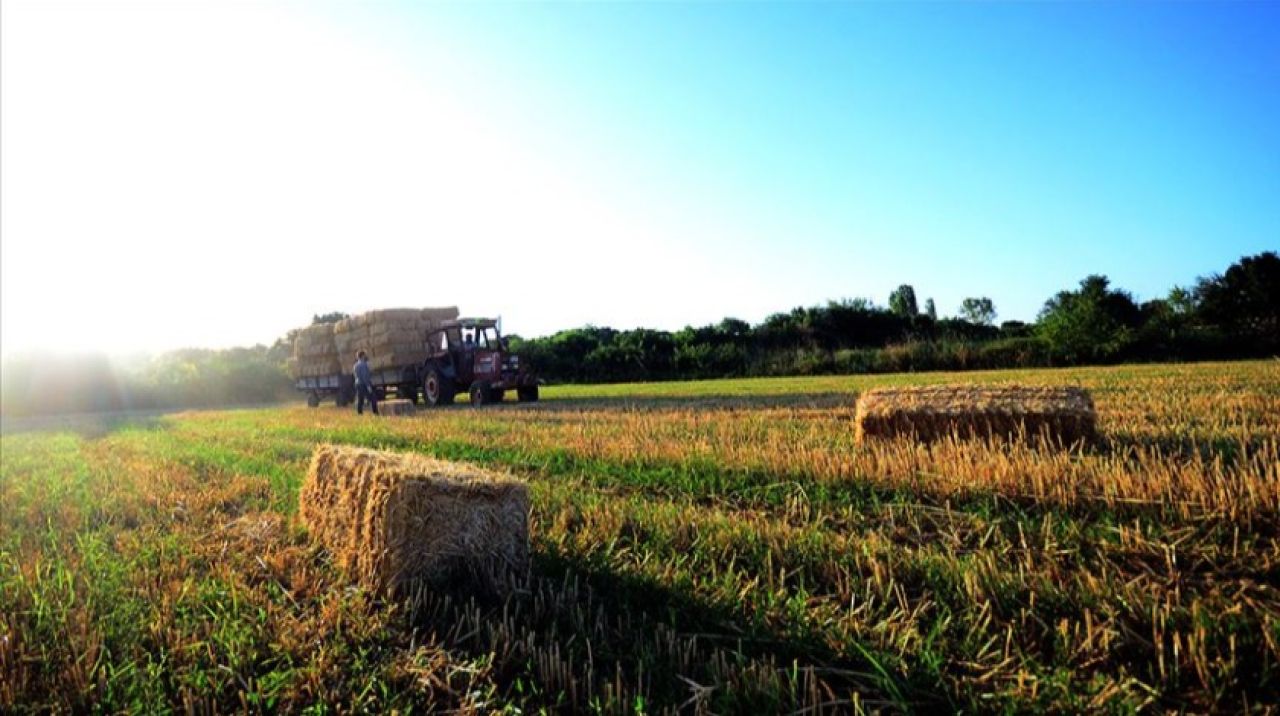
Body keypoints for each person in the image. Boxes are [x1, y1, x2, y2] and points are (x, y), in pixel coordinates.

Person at [353, 351, 379, 415]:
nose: (365, 356)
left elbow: (356, 375)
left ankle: (359, 413)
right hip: (364, 384)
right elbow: (365, 376)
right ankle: (375, 413)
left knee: (360, 399)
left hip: (358, 384)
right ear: (362, 356)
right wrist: (368, 386)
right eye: (365, 355)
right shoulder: (363, 365)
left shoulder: (355, 365)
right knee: (373, 398)